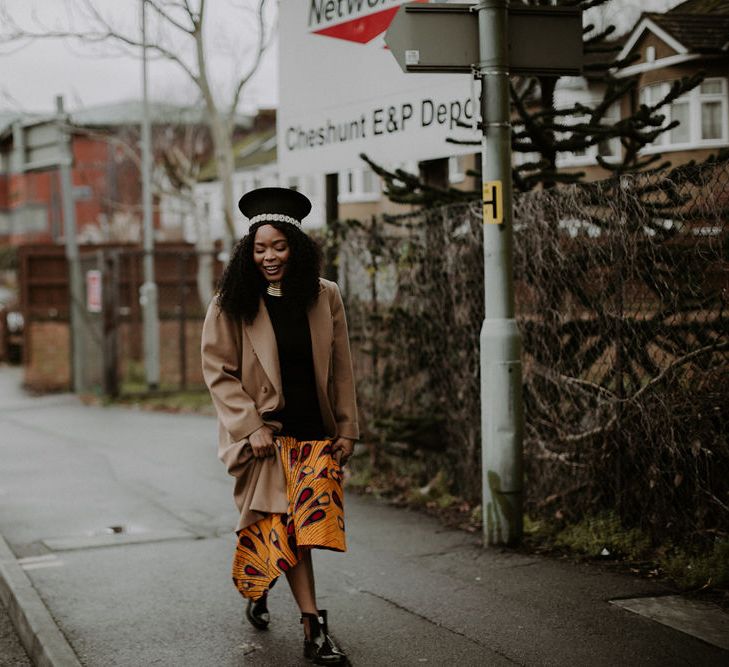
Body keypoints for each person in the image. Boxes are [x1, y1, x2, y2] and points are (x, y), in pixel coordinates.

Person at [201, 187, 358, 665]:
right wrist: (250, 427)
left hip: (314, 434)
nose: (269, 256)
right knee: (287, 527)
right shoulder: (231, 301)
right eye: (259, 248)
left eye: (279, 246)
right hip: (266, 439)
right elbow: (218, 370)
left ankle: (262, 585)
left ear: (296, 247)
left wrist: (348, 428)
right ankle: (314, 628)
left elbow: (342, 366)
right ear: (249, 253)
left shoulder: (324, 295)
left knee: (300, 529)